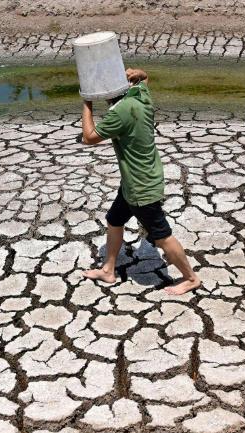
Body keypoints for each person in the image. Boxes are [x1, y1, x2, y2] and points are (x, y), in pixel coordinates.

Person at [80, 68, 201, 295]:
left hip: (140, 187)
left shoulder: (121, 112)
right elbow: (145, 79)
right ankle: (108, 269)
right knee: (115, 220)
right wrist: (140, 73)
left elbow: (89, 137)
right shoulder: (140, 96)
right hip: (137, 180)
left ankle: (191, 278)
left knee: (162, 236)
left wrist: (87, 101)